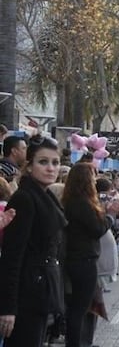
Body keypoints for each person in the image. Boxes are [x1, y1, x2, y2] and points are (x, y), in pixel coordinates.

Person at [0, 135, 65, 347]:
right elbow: (12, 255)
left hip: (42, 291)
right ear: (29, 166)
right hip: (26, 296)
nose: (50, 168)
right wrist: (8, 308)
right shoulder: (25, 198)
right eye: (43, 162)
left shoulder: (47, 196)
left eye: (55, 163)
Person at [62, 163, 119, 347]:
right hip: (83, 260)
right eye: (92, 177)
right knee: (80, 308)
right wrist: (110, 215)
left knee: (80, 306)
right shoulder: (81, 203)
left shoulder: (71, 201)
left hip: (77, 259)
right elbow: (97, 229)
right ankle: (76, 342)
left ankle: (81, 341)